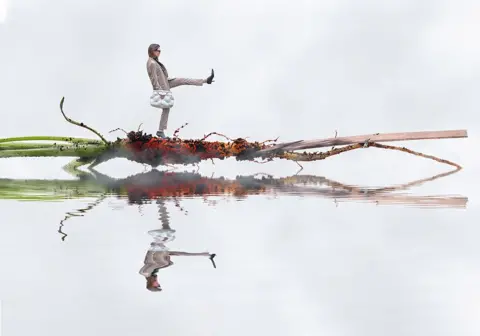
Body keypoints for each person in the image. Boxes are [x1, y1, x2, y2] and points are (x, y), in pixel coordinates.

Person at [139, 198, 216, 292]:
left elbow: (149, 259)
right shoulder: (157, 270)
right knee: (167, 226)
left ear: (151, 284)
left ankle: (159, 202)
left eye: (156, 285)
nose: (158, 283)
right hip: (162, 246)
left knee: (168, 231)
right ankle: (161, 203)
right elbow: (178, 254)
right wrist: (204, 255)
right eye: (158, 285)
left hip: (158, 243)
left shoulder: (145, 272)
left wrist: (155, 244)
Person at [147, 43, 215, 138]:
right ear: (152, 51)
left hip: (166, 82)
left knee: (183, 80)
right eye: (157, 50)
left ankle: (205, 80)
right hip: (162, 88)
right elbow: (153, 79)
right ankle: (160, 131)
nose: (159, 52)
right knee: (167, 108)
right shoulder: (152, 63)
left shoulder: (154, 61)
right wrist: (158, 92)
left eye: (160, 51)